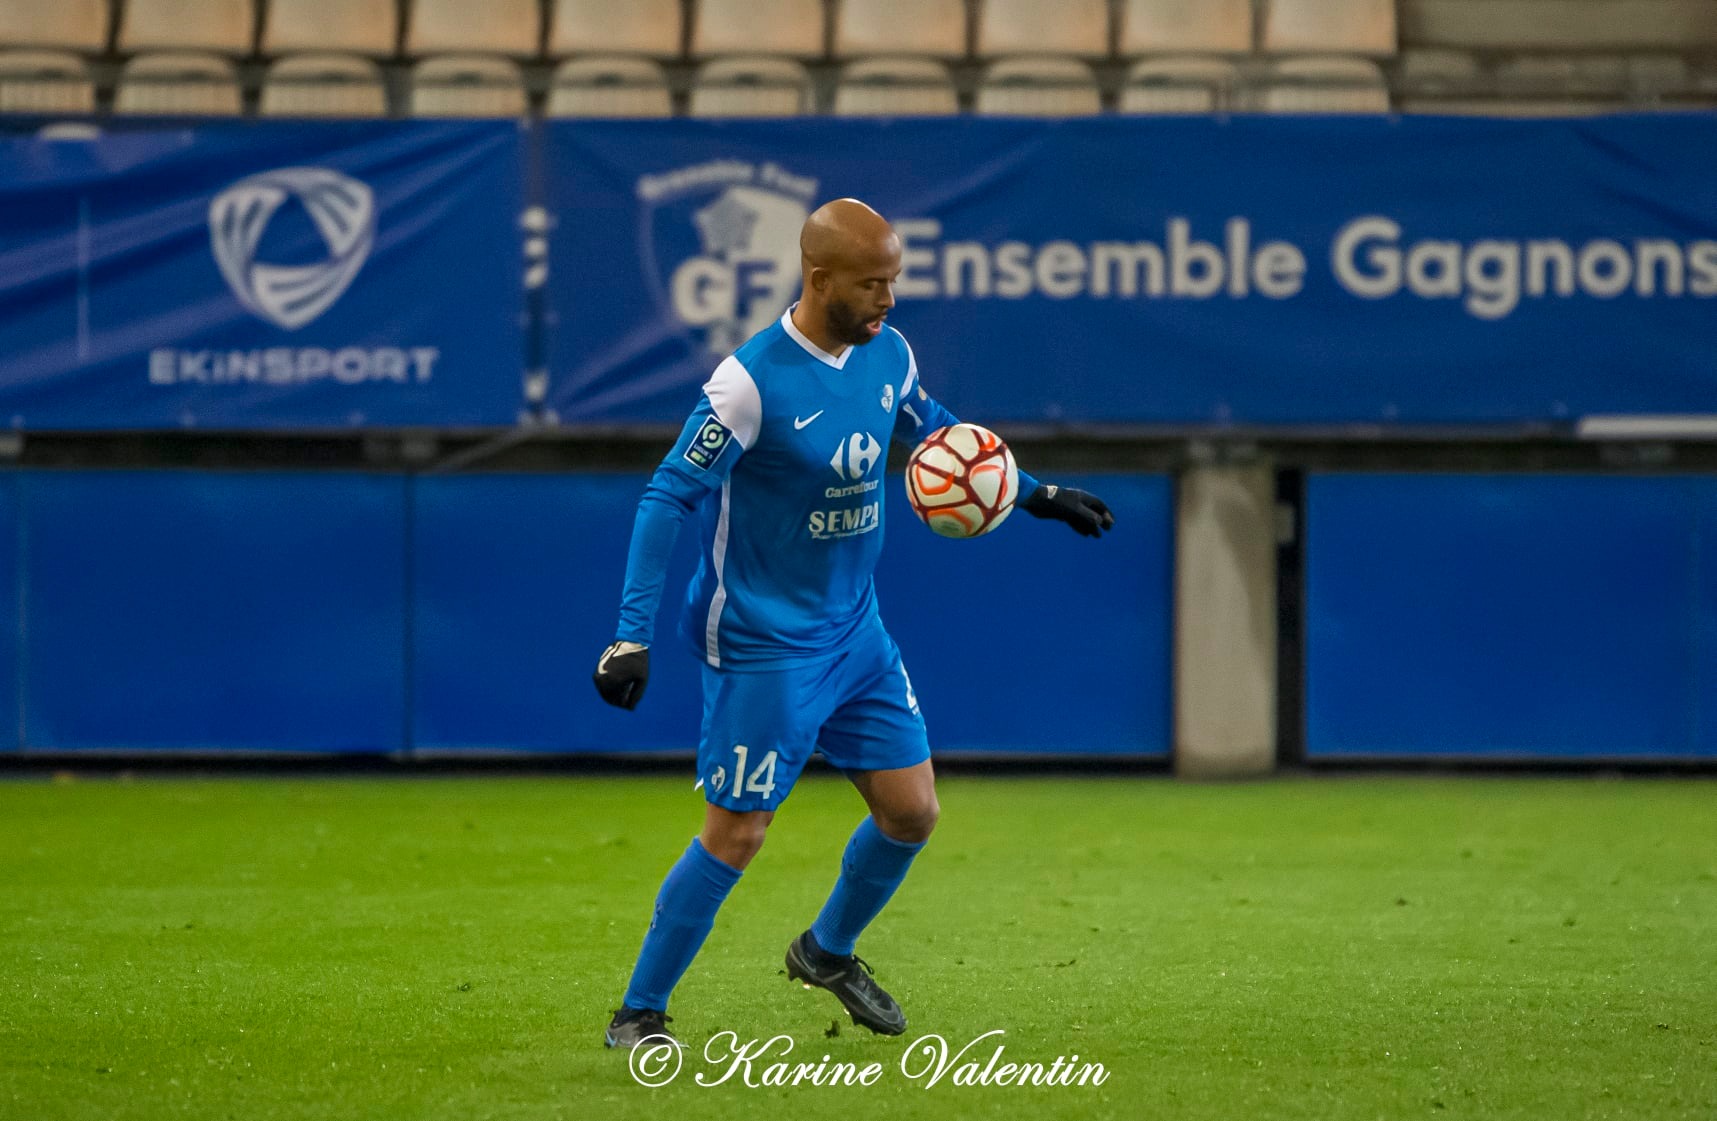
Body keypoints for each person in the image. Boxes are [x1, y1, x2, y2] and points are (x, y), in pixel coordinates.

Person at [593, 198, 1113, 1050]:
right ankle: (638, 1012)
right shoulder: (748, 383)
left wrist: (1033, 493)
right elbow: (666, 496)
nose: (888, 299)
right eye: (872, 284)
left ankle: (824, 951)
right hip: (763, 643)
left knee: (912, 811)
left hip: (855, 632)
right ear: (819, 277)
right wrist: (630, 634)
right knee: (738, 832)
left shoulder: (889, 354)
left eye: (893, 281)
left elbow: (935, 433)